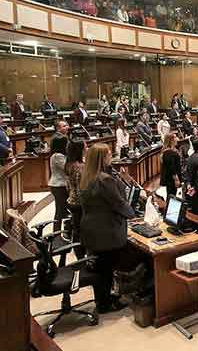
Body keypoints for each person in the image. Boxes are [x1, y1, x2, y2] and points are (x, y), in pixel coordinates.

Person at [79, 143, 133, 314]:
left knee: (102, 267)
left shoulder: (87, 176)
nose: (112, 156)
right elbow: (118, 202)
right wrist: (131, 214)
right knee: (107, 268)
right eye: (109, 154)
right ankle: (105, 304)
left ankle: (103, 299)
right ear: (102, 158)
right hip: (106, 230)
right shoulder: (105, 179)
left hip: (91, 228)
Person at [65, 139, 86, 258]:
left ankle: (79, 254)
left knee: (76, 228)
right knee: (81, 230)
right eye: (85, 147)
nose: (87, 149)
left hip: (72, 200)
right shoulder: (79, 167)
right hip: (79, 203)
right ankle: (82, 256)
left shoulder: (69, 164)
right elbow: (81, 189)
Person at [48, 134, 69, 233]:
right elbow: (67, 168)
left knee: (63, 210)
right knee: (60, 211)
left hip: (62, 185)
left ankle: (64, 231)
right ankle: (56, 234)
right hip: (58, 186)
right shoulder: (57, 156)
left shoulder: (61, 155)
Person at [160, 132, 182, 197]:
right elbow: (171, 168)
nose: (177, 139)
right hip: (171, 179)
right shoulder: (168, 153)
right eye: (175, 137)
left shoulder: (172, 151)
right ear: (171, 140)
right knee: (171, 196)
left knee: (172, 195)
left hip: (172, 178)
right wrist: (176, 179)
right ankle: (169, 207)